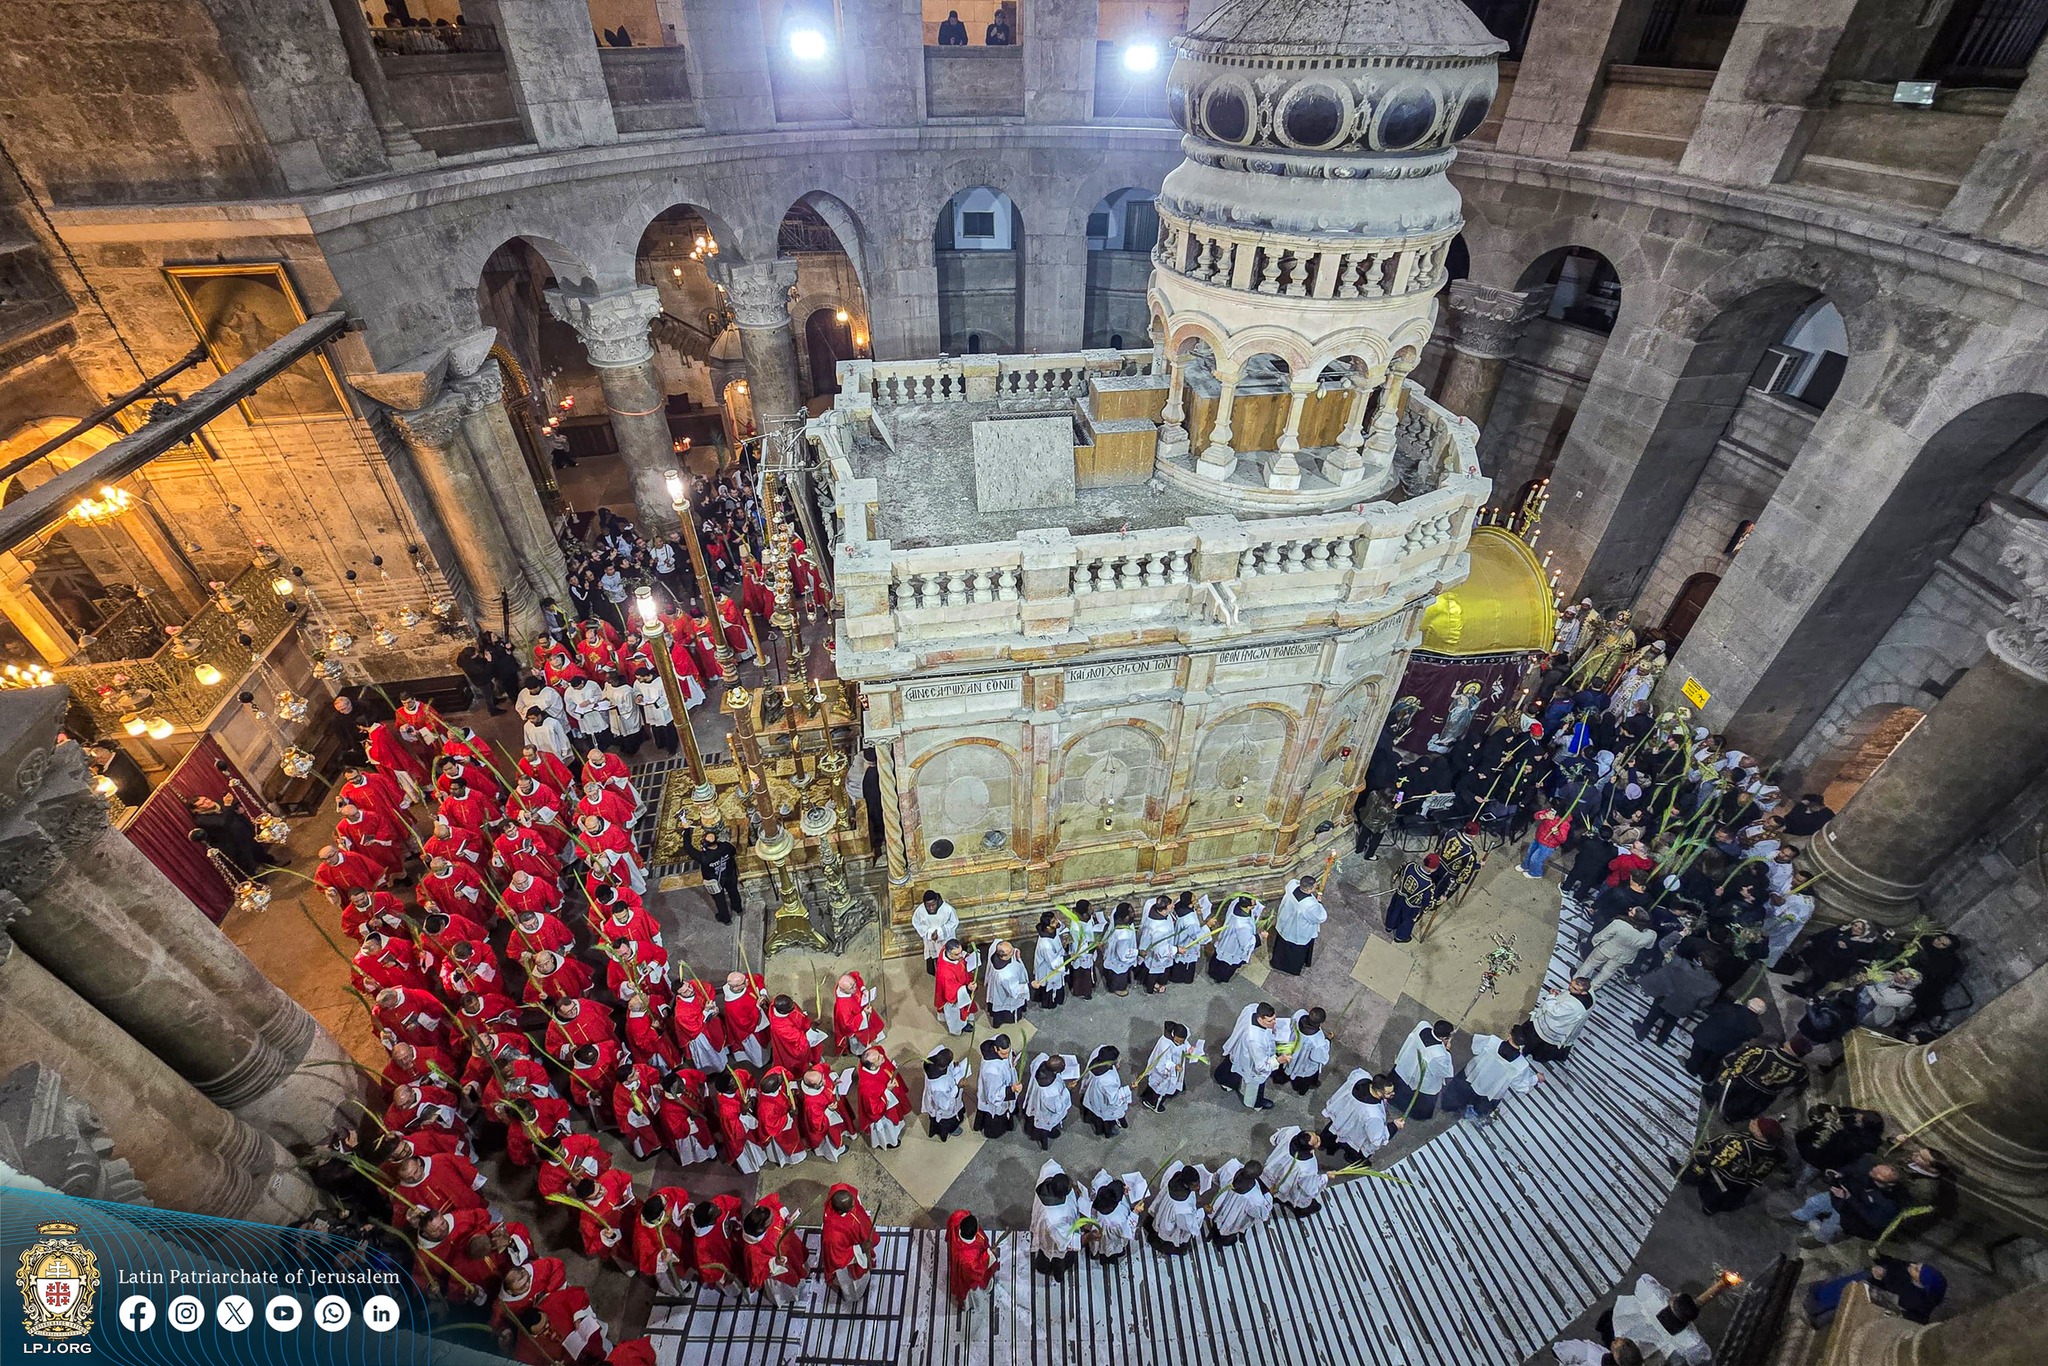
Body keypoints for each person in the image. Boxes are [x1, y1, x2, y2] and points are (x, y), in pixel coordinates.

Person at [1675, 1116, 1783, 1214]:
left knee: (1700, 1169)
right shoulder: (1777, 1153)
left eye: (1755, 1124)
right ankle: (1711, 1209)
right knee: (1727, 1199)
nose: (1752, 1121)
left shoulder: (1741, 1146)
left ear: (1759, 1134)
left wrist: (1696, 1154)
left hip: (1721, 1181)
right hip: (1742, 1186)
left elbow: (1714, 1158)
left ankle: (1685, 1177)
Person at [1786, 1158, 1902, 1246]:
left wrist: (1849, 1198)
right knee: (1813, 1202)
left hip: (1850, 1214)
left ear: (1889, 1183)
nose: (1873, 1170)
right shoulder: (1869, 1169)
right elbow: (1852, 1169)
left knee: (1828, 1229)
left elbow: (1872, 1219)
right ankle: (1801, 1218)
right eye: (1876, 1168)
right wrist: (1842, 1174)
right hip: (1838, 1197)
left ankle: (1819, 1240)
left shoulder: (1887, 1202)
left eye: (1877, 1173)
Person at [1805, 1257, 1945, 1330]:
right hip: (1875, 1283)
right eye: (1917, 1265)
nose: (1913, 1266)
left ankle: (1817, 1315)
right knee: (1842, 1286)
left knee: (1845, 1304)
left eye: (1917, 1270)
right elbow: (1894, 1265)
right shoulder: (1908, 1269)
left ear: (1920, 1281)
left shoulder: (1918, 1301)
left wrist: (1883, 1277)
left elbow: (1914, 1313)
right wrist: (1879, 1261)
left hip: (1877, 1300)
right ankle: (1817, 1297)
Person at [1439, 1031, 1539, 1123]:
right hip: (1491, 1091)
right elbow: (1520, 1085)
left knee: (1455, 1095)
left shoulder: (1492, 1041)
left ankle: (1447, 1107)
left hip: (1471, 1076)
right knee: (1479, 1109)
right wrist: (1536, 1078)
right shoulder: (1521, 1064)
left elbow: (1476, 1047)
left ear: (1509, 1035)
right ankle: (1470, 1117)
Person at [1320, 1070, 1399, 1164]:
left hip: (1341, 1116)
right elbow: (1376, 1139)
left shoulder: (1360, 1076)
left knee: (1332, 1132)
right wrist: (1394, 1126)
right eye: (1388, 1093)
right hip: (1355, 1132)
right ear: (1378, 1092)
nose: (1392, 1094)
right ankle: (1351, 1159)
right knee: (1353, 1148)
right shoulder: (1373, 1115)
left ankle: (1324, 1144)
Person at [819, 1184, 879, 1305]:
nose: (854, 1206)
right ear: (840, 1210)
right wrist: (860, 1248)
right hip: (849, 1261)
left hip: (857, 1239)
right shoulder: (833, 1235)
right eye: (851, 1206)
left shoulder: (843, 1192)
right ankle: (854, 1295)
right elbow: (838, 1258)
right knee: (851, 1282)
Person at [1214, 1002, 1280, 1110]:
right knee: (1255, 1083)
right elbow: (1261, 1066)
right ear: (1260, 1019)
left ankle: (1226, 1084)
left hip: (1238, 1049)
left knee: (1232, 1067)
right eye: (1270, 1021)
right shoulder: (1256, 1040)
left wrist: (1269, 1027)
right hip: (1250, 1061)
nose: (1274, 1023)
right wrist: (1278, 1060)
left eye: (1274, 1019)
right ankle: (1254, 1103)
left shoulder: (1251, 1008)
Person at [946, 1211, 997, 1340]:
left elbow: (957, 1216)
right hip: (966, 1276)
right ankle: (968, 1304)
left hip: (957, 1260)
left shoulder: (958, 1220)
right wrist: (990, 1255)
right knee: (969, 1291)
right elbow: (976, 1272)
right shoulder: (969, 1257)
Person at [1392, 1019, 1456, 1120]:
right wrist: (1447, 1050)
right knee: (1421, 1102)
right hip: (1421, 1078)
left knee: (1399, 1087)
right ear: (1444, 1037)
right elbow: (1444, 1071)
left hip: (1407, 1065)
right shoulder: (1439, 1054)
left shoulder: (1423, 1025)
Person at [1576, 907, 1654, 989]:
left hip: (1605, 949)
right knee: (1608, 972)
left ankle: (1578, 981)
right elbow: (1649, 946)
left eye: (1631, 911)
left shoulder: (1619, 924)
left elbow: (1604, 935)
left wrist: (1595, 941)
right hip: (1623, 957)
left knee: (1590, 964)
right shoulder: (1650, 935)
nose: (1629, 909)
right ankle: (1593, 987)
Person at [1028, 1161, 1082, 1276]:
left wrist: (1073, 1188)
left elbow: (1050, 1165)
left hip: (1046, 1230)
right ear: (1063, 1194)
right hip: (1055, 1238)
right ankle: (1056, 1272)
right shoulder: (1057, 1217)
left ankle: (1042, 1266)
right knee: (1058, 1256)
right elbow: (1063, 1242)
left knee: (1044, 1252)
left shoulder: (1049, 1174)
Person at [1526, 978, 1595, 1064]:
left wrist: (1551, 996)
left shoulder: (1573, 1005)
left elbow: (1553, 1012)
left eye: (1574, 988)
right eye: (1570, 984)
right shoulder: (1589, 992)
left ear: (1584, 992)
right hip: (1568, 1023)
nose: (1570, 988)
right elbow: (1568, 993)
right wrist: (1560, 992)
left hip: (1556, 1026)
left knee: (1538, 1041)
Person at [1206, 1160, 1272, 1246]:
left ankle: (1212, 1233)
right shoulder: (1255, 1198)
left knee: (1216, 1223)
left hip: (1218, 1209)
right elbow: (1263, 1214)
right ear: (1257, 1177)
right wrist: (1269, 1195)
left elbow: (1216, 1178)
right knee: (1229, 1234)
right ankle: (1220, 1241)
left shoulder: (1231, 1166)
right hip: (1233, 1221)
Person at [1084, 1172, 1147, 1261]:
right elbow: (1128, 1231)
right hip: (1112, 1240)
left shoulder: (1100, 1196)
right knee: (1112, 1251)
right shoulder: (1118, 1219)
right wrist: (1135, 1212)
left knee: (1100, 1246)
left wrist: (1121, 1190)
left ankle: (1098, 1253)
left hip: (1098, 1234)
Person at [1271, 876, 1327, 974]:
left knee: (1282, 945)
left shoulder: (1292, 885)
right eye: (1314, 887)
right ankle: (1292, 968)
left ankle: (1277, 962)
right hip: (1298, 931)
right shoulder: (1309, 905)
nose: (1316, 887)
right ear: (1309, 889)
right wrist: (1318, 902)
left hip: (1285, 922)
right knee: (1295, 952)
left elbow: (1296, 882)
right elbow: (1320, 917)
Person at [1021, 1053, 1079, 1148]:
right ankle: (1044, 1144)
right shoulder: (1050, 1091)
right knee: (1044, 1128)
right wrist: (1067, 1089)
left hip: (1036, 1098)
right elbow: (1057, 1107)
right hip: (1045, 1112)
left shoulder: (1041, 1061)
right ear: (1055, 1072)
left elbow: (1032, 1065)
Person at [1138, 1021, 1194, 1113]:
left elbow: (1184, 1043)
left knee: (1174, 1082)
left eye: (1182, 1041)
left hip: (1177, 1065)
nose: (1180, 1044)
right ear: (1173, 1035)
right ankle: (1152, 1103)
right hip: (1164, 1072)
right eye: (1178, 1041)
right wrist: (1174, 1067)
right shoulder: (1165, 1046)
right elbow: (1160, 1065)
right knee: (1159, 1088)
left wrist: (1189, 1048)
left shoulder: (1181, 1034)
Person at [1384, 854, 1441, 944]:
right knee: (1407, 921)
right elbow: (1427, 902)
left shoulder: (1410, 865)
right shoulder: (1428, 884)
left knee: (1394, 910)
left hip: (1400, 894)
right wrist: (1440, 901)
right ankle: (1401, 937)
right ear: (1432, 869)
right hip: (1411, 906)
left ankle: (1389, 926)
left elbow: (1399, 872)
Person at [973, 1034, 1021, 1138]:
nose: (1006, 1055)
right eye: (1004, 1053)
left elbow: (1007, 1056)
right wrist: (1012, 1089)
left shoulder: (997, 1041)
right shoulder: (992, 1072)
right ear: (995, 1049)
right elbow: (993, 1096)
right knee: (997, 1119)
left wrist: (1011, 1058)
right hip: (996, 1103)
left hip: (1006, 1080)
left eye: (1008, 1052)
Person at [1079, 1045, 1131, 1137]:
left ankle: (1098, 1129)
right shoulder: (1108, 1079)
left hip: (1094, 1094)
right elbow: (1113, 1099)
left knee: (1097, 1115)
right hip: (1103, 1101)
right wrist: (1129, 1088)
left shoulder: (1096, 1062)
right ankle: (1107, 1132)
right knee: (1105, 1118)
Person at [921, 1045, 971, 1140]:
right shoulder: (938, 1086)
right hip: (945, 1110)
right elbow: (944, 1105)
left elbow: (949, 1073)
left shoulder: (937, 1064)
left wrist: (954, 1068)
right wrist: (957, 1087)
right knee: (948, 1122)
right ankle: (949, 1130)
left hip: (951, 1094)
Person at [1208, 895, 1261, 982]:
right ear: (1248, 907)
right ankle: (1219, 978)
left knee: (1218, 958)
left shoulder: (1236, 902)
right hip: (1233, 947)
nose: (1255, 904)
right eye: (1254, 903)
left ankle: (1213, 972)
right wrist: (1260, 937)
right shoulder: (1243, 926)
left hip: (1226, 939)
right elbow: (1246, 944)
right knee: (1226, 966)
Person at [1282, 1007, 1331, 1094]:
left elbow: (1290, 1025)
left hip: (1290, 1052)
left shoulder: (1299, 1015)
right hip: (1303, 1065)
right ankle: (1300, 1090)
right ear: (1321, 1022)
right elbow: (1319, 1057)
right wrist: (1328, 1041)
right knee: (1303, 1080)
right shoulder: (1318, 1040)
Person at [935, 939, 979, 1034]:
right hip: (954, 998)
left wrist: (965, 955)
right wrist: (967, 988)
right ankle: (959, 1028)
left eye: (960, 952)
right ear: (949, 953)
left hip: (962, 982)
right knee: (955, 1014)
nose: (960, 956)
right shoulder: (945, 972)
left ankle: (966, 1019)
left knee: (967, 1006)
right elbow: (951, 994)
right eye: (957, 954)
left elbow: (961, 954)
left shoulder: (946, 950)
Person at [912, 889, 958, 975]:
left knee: (946, 960)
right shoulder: (920, 911)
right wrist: (929, 933)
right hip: (930, 941)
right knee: (932, 960)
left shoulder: (947, 909)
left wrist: (940, 932)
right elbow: (917, 923)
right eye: (928, 906)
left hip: (944, 940)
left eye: (933, 905)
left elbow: (953, 922)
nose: (931, 908)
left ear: (937, 901)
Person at [983, 940, 1030, 1025]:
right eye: (1011, 951)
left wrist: (1017, 958)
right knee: (1006, 1005)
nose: (1014, 950)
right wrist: (1030, 986)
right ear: (1003, 957)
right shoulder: (1006, 975)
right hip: (1006, 995)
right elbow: (1014, 990)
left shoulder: (996, 956)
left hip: (1000, 987)